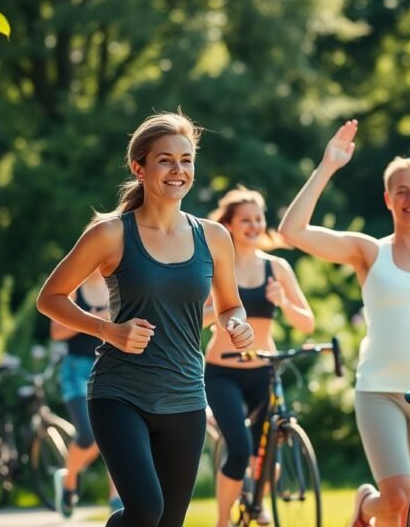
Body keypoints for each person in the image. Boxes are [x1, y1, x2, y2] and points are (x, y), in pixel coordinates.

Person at [36, 111, 254, 527]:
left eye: (186, 160)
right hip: (120, 393)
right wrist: (108, 330)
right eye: (165, 160)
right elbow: (50, 298)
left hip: (186, 396)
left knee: (168, 522)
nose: (178, 170)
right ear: (139, 168)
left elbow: (230, 305)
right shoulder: (111, 233)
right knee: (146, 512)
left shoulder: (214, 237)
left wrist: (235, 324)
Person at [279, 120, 410, 527]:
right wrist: (327, 166)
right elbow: (292, 231)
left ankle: (374, 509)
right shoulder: (369, 252)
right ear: (388, 199)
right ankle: (366, 504)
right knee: (397, 497)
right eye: (402, 191)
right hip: (380, 390)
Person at [203, 187, 316, 527]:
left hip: (264, 372)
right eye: (245, 220)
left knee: (265, 454)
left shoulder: (277, 268)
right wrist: (217, 306)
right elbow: (196, 317)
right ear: (229, 226)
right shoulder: (216, 265)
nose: (253, 226)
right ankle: (224, 521)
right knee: (239, 450)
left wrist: (283, 301)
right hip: (223, 372)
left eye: (258, 219)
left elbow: (306, 322)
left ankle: (255, 504)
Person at [49, 270, 119, 517]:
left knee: (116, 434)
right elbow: (56, 332)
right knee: (89, 435)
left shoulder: (117, 284)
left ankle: (115, 499)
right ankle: (69, 482)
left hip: (110, 367)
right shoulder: (73, 287)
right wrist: (95, 319)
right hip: (76, 371)